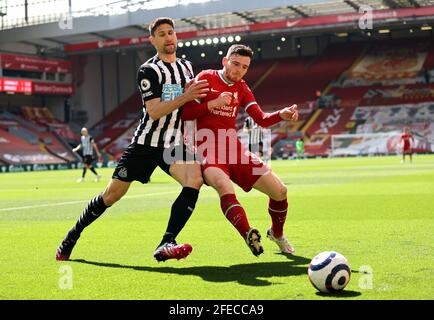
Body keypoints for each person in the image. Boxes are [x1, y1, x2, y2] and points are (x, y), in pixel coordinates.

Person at [56, 17, 209, 262]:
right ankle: (71, 236)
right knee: (111, 196)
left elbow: (191, 102)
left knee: (195, 179)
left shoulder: (187, 67)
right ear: (153, 40)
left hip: (173, 143)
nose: (168, 37)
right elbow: (155, 111)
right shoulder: (149, 70)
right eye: (161, 34)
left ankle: (166, 242)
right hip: (145, 144)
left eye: (171, 32)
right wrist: (187, 95)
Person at [182, 44, 299, 256]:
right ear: (225, 61)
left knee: (280, 191)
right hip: (206, 149)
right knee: (223, 185)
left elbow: (261, 119)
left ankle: (277, 234)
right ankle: (248, 234)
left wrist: (280, 114)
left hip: (234, 149)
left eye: (244, 67)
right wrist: (214, 103)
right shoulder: (206, 77)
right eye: (235, 64)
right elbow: (186, 112)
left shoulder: (242, 88)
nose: (239, 70)